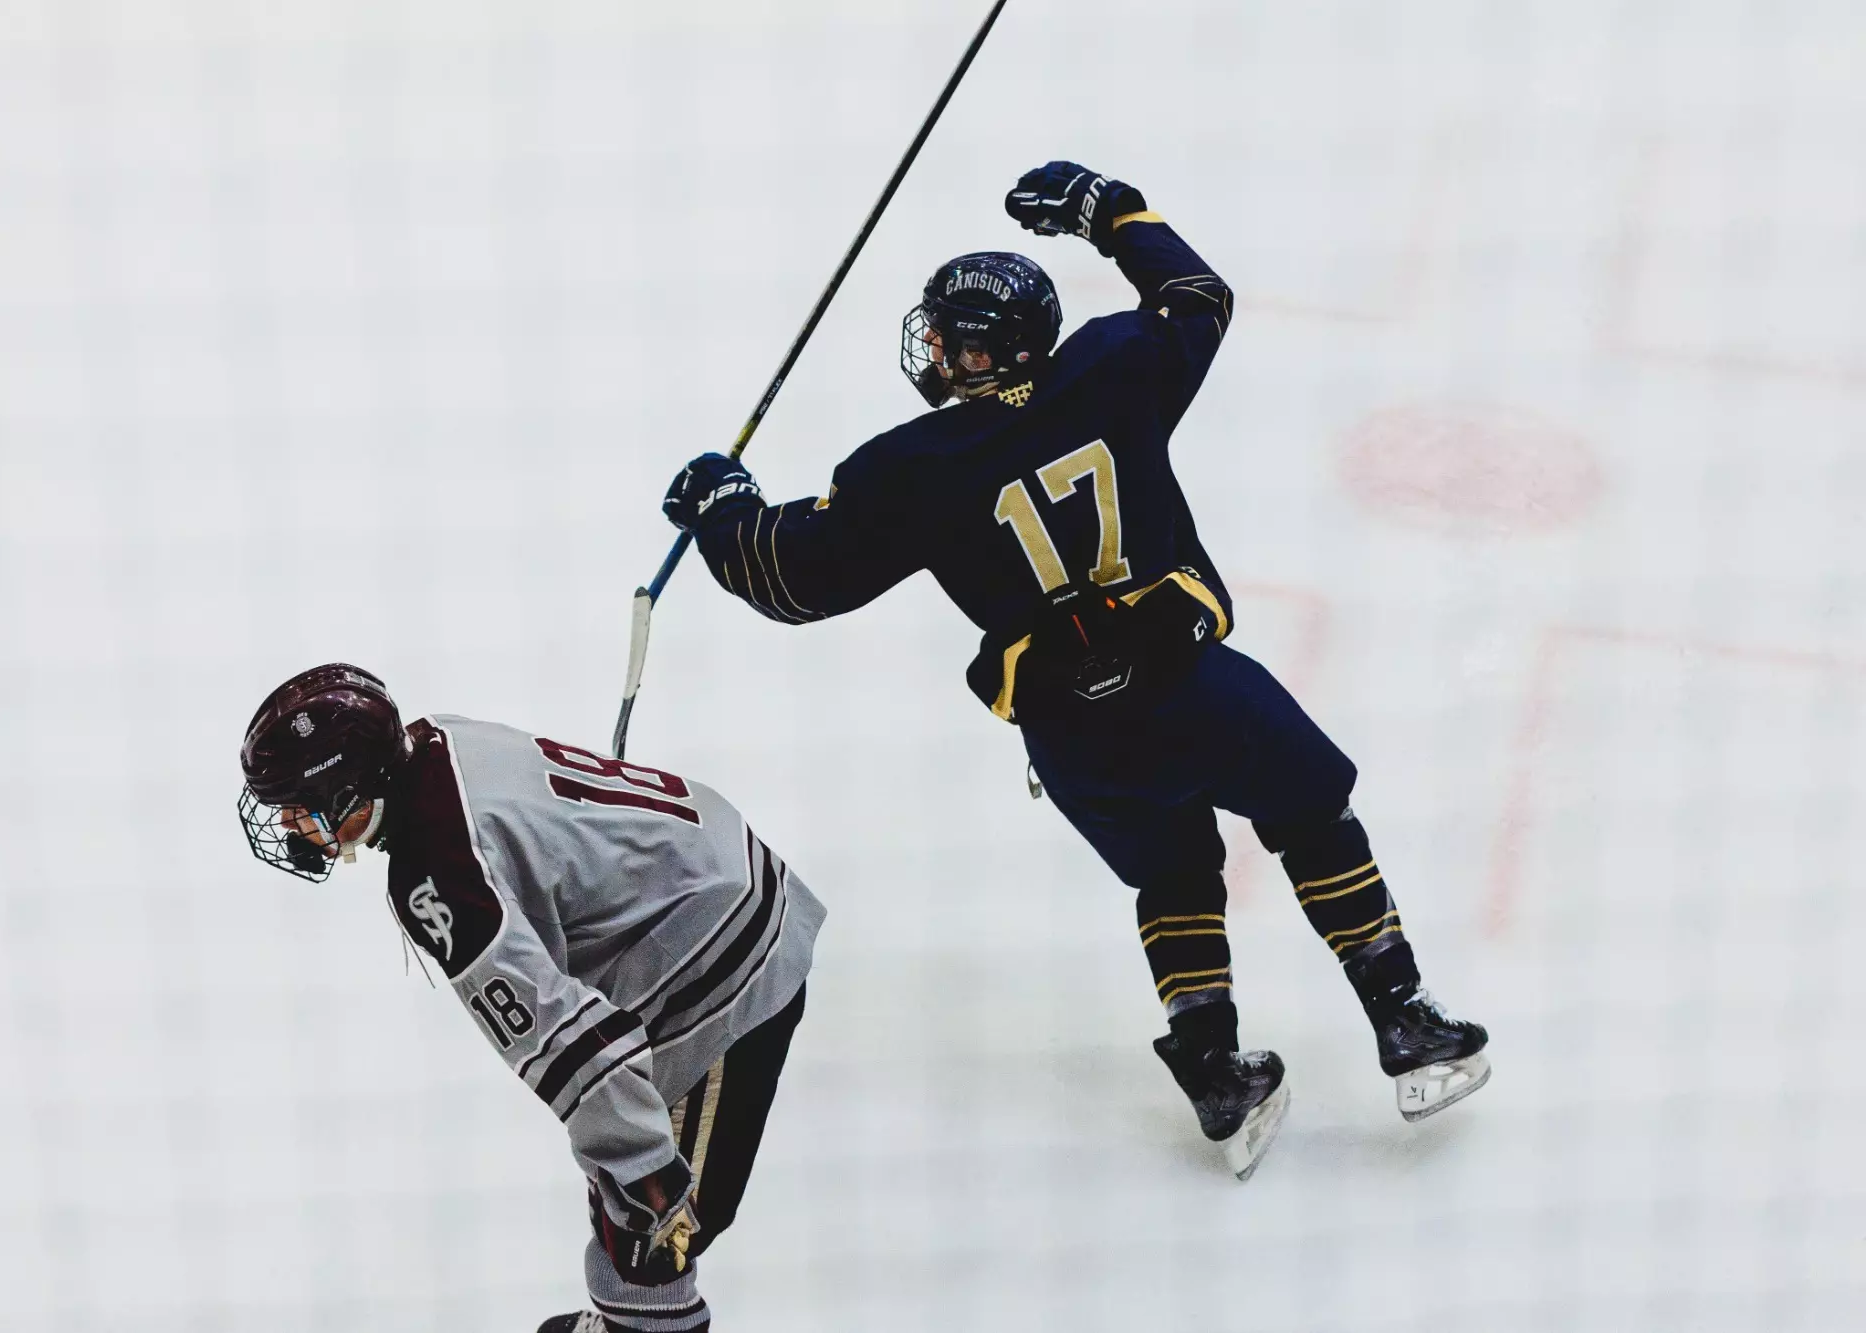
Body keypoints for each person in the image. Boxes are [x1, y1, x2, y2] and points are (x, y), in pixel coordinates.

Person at [661, 161, 1488, 1181]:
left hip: (1069, 734)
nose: (945, 352)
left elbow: (785, 581)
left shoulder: (904, 468)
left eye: (956, 337)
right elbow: (1197, 297)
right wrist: (1108, 211)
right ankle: (1400, 1014)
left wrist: (719, 510)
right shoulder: (1112, 364)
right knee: (1309, 812)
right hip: (1188, 684)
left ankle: (1214, 1070)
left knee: (1173, 869)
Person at [237, 663, 824, 1333]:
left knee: (653, 1230)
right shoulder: (433, 740)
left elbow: (566, 1044)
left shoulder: (436, 875)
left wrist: (642, 1171)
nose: (285, 822)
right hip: (712, 861)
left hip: (720, 950)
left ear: (347, 791)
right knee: (626, 1183)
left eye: (295, 801)